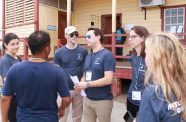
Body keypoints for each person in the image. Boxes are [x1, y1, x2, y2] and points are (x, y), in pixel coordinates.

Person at [1, 31, 71, 122]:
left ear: (29, 47)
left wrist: (4, 119)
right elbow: (66, 99)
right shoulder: (57, 71)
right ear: (47, 49)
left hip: (23, 118)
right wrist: (62, 109)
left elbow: (5, 99)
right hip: (49, 118)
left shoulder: (14, 69)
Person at [136, 32, 186, 122]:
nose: (145, 58)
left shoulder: (153, 94)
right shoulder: (181, 84)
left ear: (156, 58)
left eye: (146, 54)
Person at [74, 28, 115, 122]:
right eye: (85, 37)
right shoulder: (88, 56)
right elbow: (85, 75)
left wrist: (87, 84)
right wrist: (80, 84)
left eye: (89, 36)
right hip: (87, 99)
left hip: (103, 101)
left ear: (98, 37)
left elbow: (108, 79)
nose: (86, 39)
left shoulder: (107, 55)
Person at [54, 26, 88, 122]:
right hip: (64, 89)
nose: (74, 36)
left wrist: (83, 82)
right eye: (71, 34)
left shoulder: (83, 51)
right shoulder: (59, 53)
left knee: (77, 117)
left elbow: (86, 68)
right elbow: (56, 71)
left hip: (79, 89)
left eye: (76, 34)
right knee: (61, 116)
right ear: (65, 36)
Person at [124, 26, 150, 121]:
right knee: (129, 120)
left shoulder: (149, 58)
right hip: (131, 99)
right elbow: (135, 79)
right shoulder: (133, 57)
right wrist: (129, 97)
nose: (130, 39)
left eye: (133, 37)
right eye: (129, 37)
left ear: (142, 38)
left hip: (144, 102)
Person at [0, 33, 22, 122]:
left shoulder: (18, 58)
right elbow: (7, 80)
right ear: (5, 45)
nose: (16, 46)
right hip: (11, 97)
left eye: (17, 43)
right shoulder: (5, 60)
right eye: (12, 44)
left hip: (20, 96)